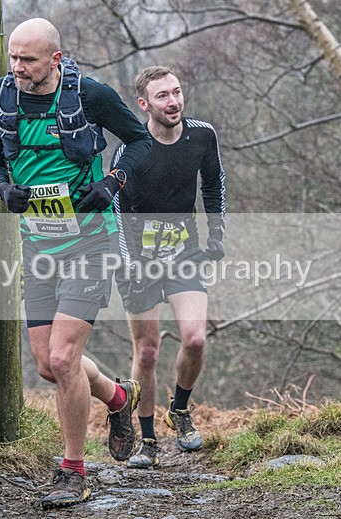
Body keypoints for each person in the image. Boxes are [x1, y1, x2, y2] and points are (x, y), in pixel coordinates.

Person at [0, 18, 152, 508]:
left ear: (55, 59)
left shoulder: (91, 95)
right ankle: (119, 398)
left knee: (62, 358)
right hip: (38, 245)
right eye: (13, 58)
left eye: (28, 59)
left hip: (90, 244)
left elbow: (139, 141)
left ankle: (73, 471)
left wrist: (112, 182)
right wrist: (3, 188)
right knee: (48, 366)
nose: (17, 67)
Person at [112, 66, 226, 468]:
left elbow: (214, 184)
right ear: (144, 104)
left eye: (176, 92)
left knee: (195, 340)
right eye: (163, 96)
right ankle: (147, 439)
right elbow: (117, 209)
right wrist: (131, 263)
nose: (173, 101)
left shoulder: (202, 135)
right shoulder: (131, 149)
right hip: (138, 259)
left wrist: (216, 235)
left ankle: (179, 410)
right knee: (147, 352)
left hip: (184, 253)